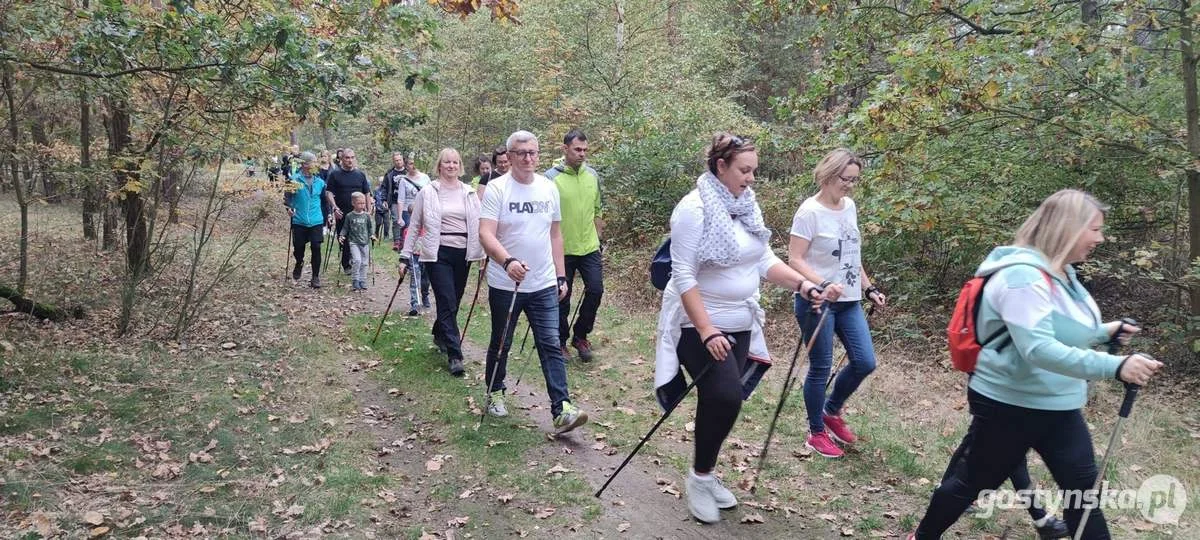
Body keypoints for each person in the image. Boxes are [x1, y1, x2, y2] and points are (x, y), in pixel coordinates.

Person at [910, 189, 1163, 540]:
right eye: (1095, 229)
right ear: (1068, 228)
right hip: (1010, 404)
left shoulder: (1062, 273)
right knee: (971, 483)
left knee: (1083, 496)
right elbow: (1039, 349)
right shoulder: (1022, 277)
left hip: (1059, 404)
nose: (1100, 238)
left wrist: (1106, 332)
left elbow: (1057, 331)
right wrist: (1115, 367)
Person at [655, 132, 827, 525]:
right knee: (725, 395)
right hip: (697, 322)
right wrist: (707, 330)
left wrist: (803, 284)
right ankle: (699, 478)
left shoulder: (745, 204)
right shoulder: (694, 208)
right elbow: (683, 273)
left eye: (754, 171)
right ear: (721, 166)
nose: (751, 178)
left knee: (725, 401)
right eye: (744, 170)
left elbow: (763, 259)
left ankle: (706, 472)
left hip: (741, 320)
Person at [479, 130, 587, 434]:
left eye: (533, 153)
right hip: (506, 283)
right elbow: (486, 233)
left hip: (542, 283)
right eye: (521, 153)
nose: (528, 158)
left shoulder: (548, 188)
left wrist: (561, 274)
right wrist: (507, 261)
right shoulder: (497, 189)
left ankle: (562, 408)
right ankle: (495, 391)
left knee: (551, 343)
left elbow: (555, 234)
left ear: (539, 155)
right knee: (502, 342)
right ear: (510, 156)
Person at [786, 148, 886, 459]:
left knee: (865, 361)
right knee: (820, 367)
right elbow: (794, 259)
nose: (851, 185)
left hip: (850, 300)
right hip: (817, 301)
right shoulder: (808, 212)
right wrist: (823, 284)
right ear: (829, 176)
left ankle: (831, 410)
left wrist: (869, 288)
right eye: (846, 179)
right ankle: (816, 432)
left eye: (855, 180)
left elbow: (851, 255)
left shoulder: (849, 207)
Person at [399, 148, 483, 377]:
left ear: (460, 166)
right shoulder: (428, 192)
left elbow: (481, 225)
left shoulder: (470, 192)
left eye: (455, 162)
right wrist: (405, 256)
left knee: (453, 300)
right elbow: (415, 225)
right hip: (437, 253)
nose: (451, 166)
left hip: (464, 253)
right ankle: (455, 355)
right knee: (446, 300)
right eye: (447, 162)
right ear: (439, 166)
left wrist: (486, 254)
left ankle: (439, 333)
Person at [545, 129, 604, 362]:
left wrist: (599, 237)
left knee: (596, 290)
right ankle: (560, 341)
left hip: (589, 246)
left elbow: (598, 209)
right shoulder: (550, 178)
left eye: (585, 150)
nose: (582, 154)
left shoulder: (592, 175)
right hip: (562, 249)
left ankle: (580, 336)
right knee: (562, 296)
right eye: (577, 149)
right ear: (565, 149)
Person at [283, 152, 331, 288]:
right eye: (312, 162)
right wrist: (288, 208)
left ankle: (315, 277)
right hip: (299, 220)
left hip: (316, 220)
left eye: (316, 162)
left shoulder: (320, 182)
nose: (315, 165)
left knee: (316, 247)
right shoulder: (294, 180)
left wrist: (328, 215)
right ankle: (299, 263)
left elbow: (324, 201)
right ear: (304, 164)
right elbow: (287, 198)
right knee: (299, 248)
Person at [325, 148, 373, 275]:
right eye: (347, 158)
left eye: (352, 157)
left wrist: (369, 209)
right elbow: (329, 192)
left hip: (359, 212)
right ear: (342, 159)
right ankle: (346, 263)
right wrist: (334, 207)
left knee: (360, 236)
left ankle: (359, 261)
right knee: (344, 238)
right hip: (342, 212)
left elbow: (367, 192)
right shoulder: (335, 174)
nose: (350, 160)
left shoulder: (360, 175)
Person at [397, 155, 432, 315]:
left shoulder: (431, 227)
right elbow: (401, 200)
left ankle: (425, 295)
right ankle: (414, 304)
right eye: (410, 163)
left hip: (427, 253)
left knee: (426, 279)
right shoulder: (409, 229)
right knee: (414, 277)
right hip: (414, 256)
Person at [339, 192, 376, 291]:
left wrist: (372, 235)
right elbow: (345, 228)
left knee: (364, 262)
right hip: (353, 242)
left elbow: (370, 228)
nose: (362, 205)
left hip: (365, 242)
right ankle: (355, 279)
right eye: (359, 203)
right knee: (357, 260)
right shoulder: (349, 216)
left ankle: (362, 280)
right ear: (353, 203)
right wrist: (342, 235)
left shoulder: (367, 216)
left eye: (363, 203)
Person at [381, 152, 407, 251]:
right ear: (393, 161)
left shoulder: (408, 172)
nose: (399, 162)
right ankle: (397, 241)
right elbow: (384, 187)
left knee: (407, 220)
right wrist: (384, 200)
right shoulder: (389, 174)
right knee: (396, 220)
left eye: (400, 160)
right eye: (396, 160)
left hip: (407, 200)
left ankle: (404, 239)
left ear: (403, 160)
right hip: (394, 200)